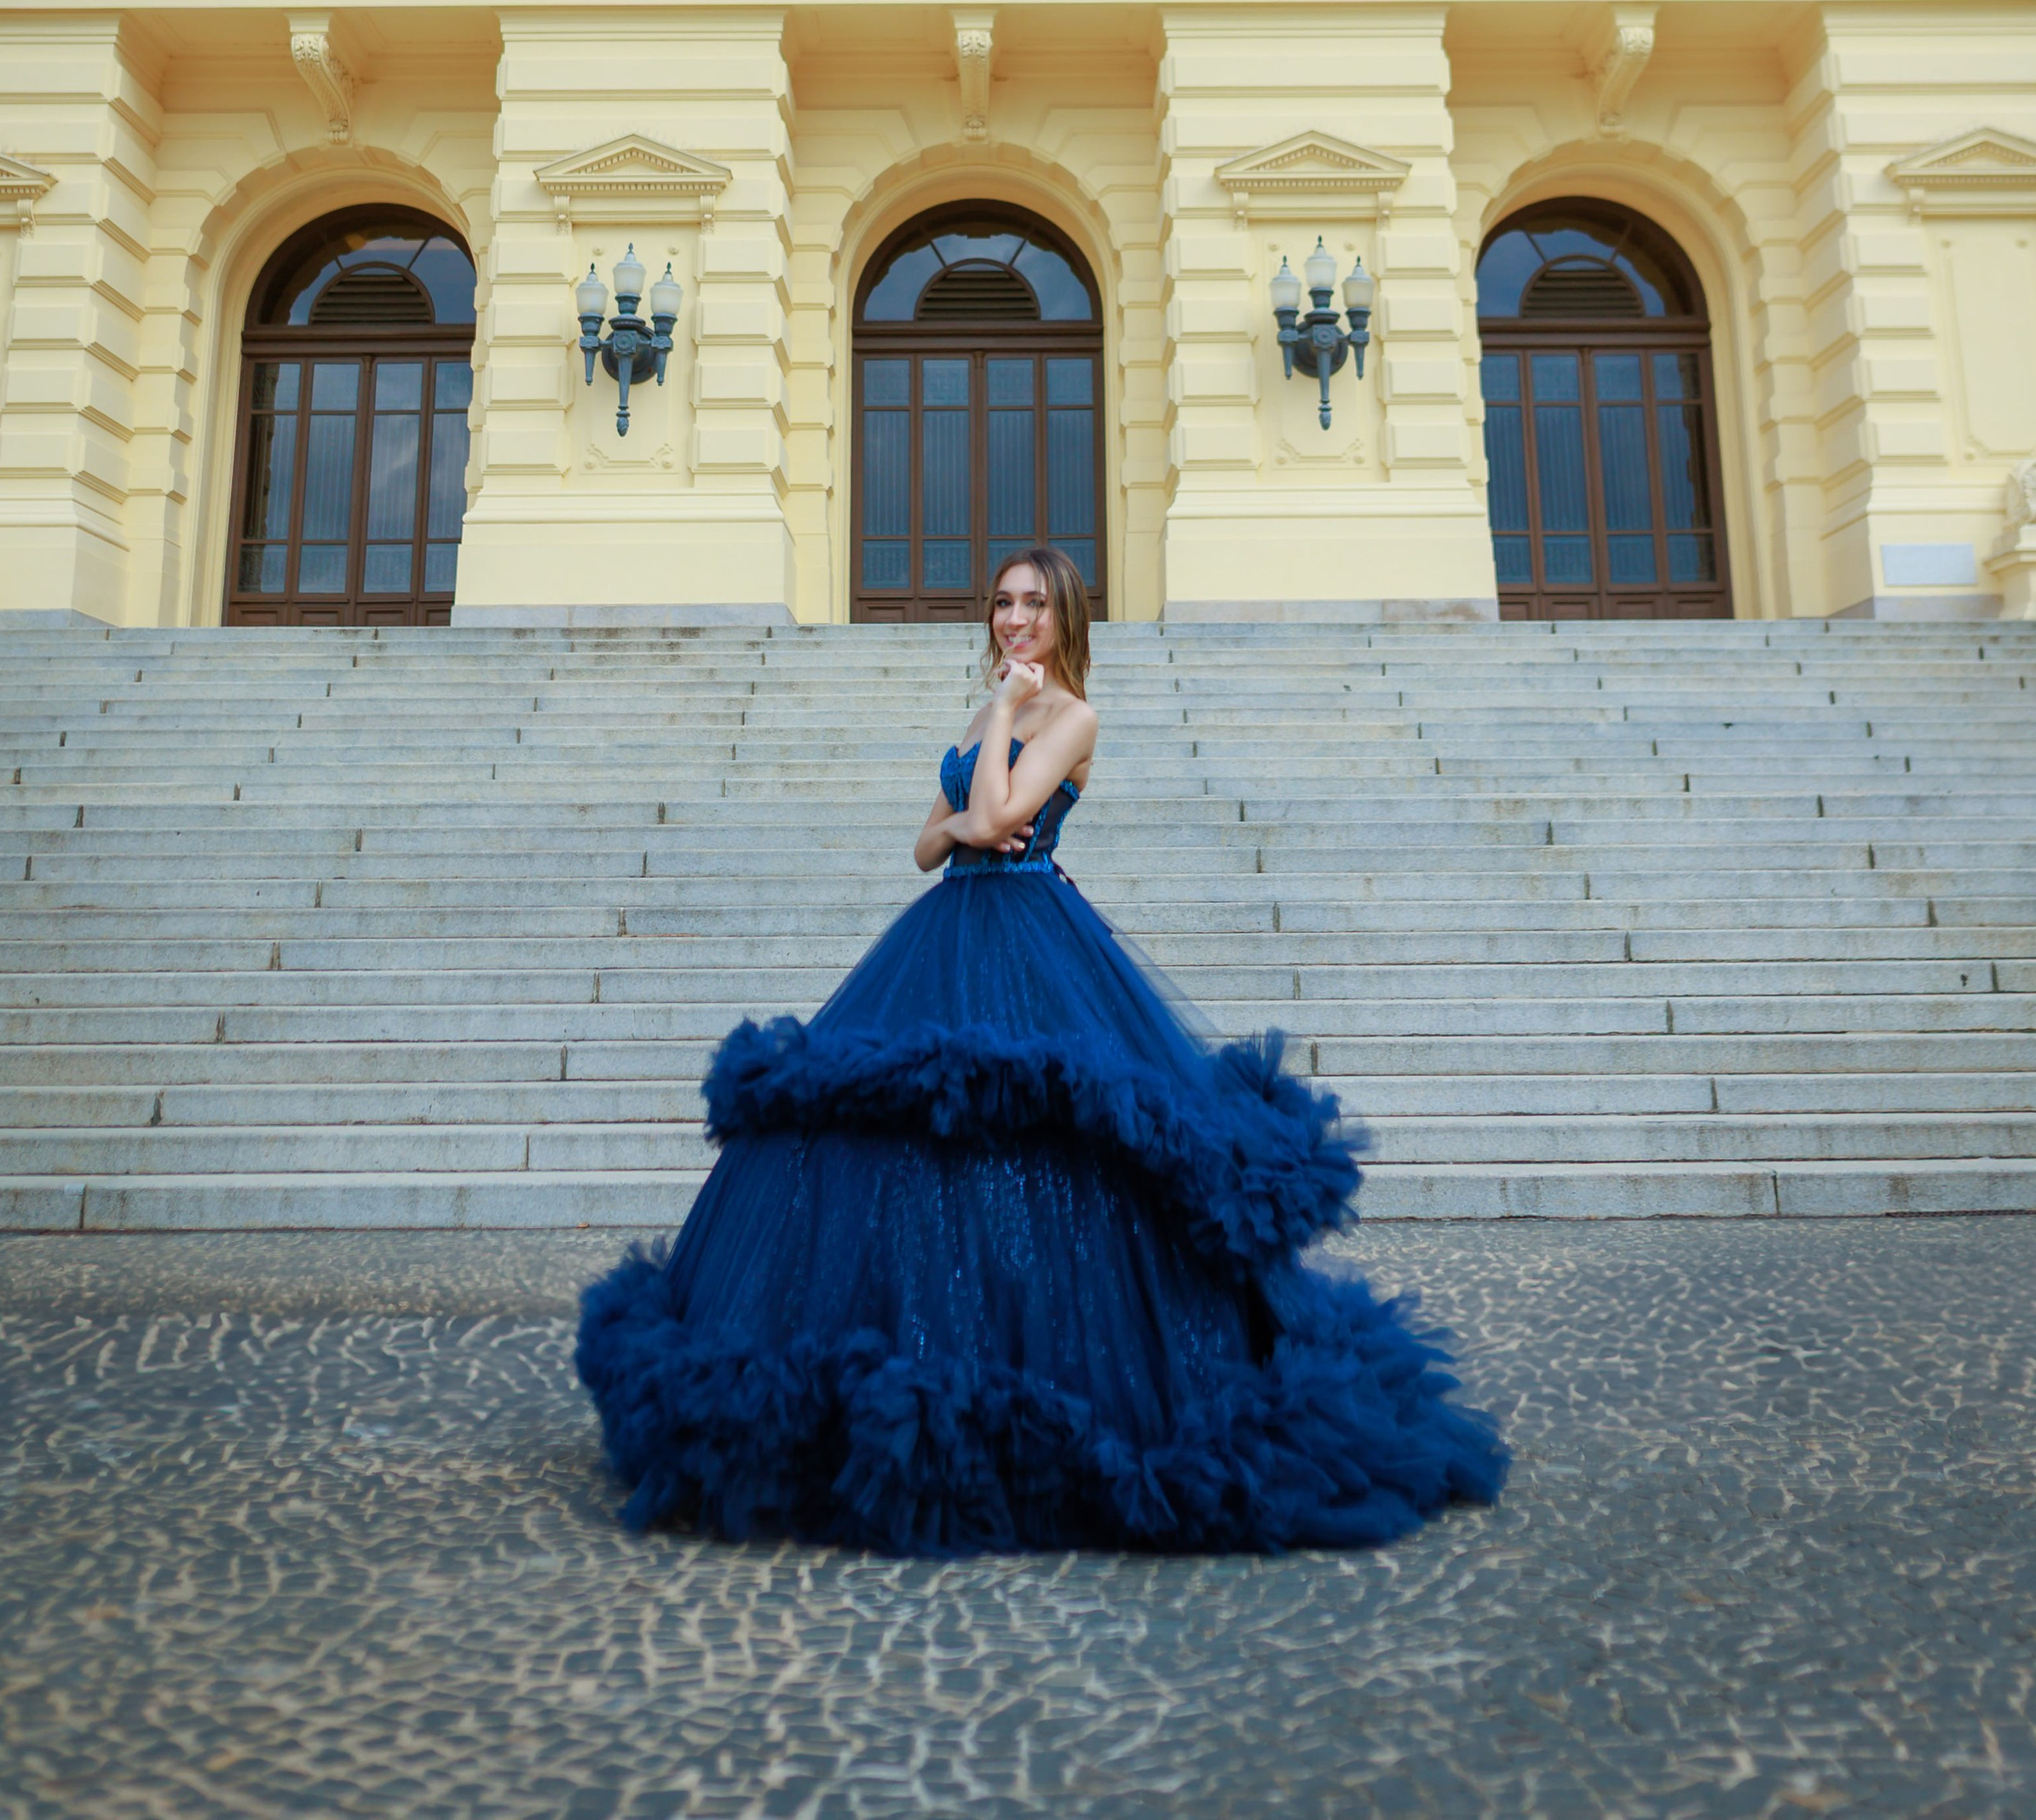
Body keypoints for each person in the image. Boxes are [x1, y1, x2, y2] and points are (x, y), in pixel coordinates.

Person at [574, 547, 1508, 1554]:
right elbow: (929, 844)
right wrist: (973, 789)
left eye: (1033, 605)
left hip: (1031, 939)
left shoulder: (1069, 718)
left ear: (1065, 618)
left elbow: (996, 817)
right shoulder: (992, 713)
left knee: (1047, 1133)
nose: (1013, 619)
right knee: (889, 1128)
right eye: (1002, 603)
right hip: (947, 928)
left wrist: (1003, 734)